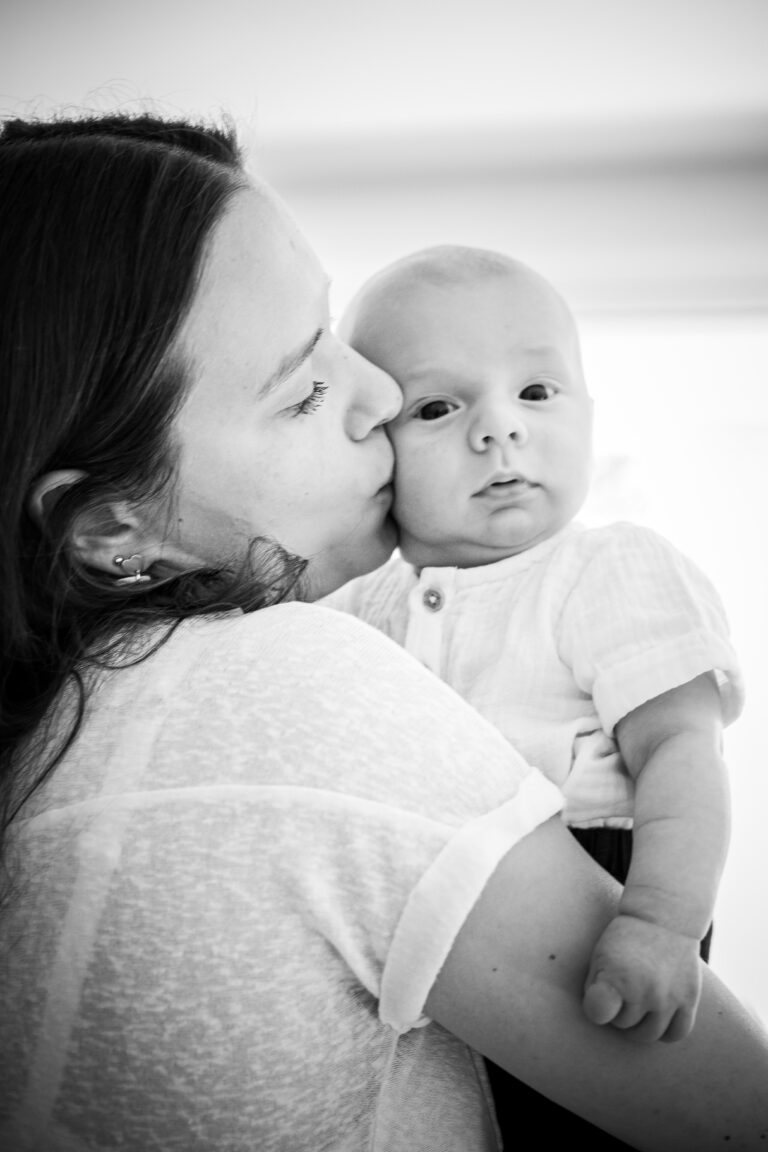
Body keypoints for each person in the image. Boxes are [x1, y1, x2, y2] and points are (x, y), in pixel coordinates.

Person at [0, 115, 766, 1152]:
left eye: (333, 336)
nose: (381, 397)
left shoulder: (53, 747)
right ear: (110, 526)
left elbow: (683, 751)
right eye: (305, 387)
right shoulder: (290, 672)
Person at [323, 245, 746, 1141]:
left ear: (589, 413)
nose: (498, 431)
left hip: (603, 890)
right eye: (439, 407)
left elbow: (681, 750)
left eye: (537, 394)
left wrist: (663, 924)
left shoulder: (606, 566)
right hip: (432, 913)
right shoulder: (357, 606)